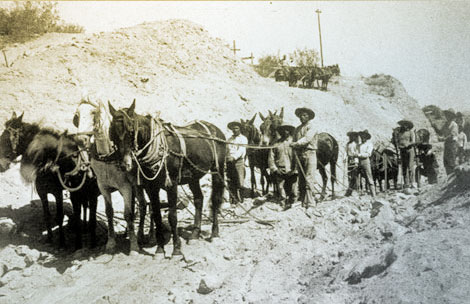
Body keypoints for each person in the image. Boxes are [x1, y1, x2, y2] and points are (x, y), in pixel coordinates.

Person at [291, 107, 317, 208]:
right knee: (301, 178)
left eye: (305, 115)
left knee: (309, 178)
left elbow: (307, 139)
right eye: (301, 115)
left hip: (310, 153)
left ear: (309, 117)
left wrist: (296, 143)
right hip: (300, 154)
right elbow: (293, 140)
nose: (302, 117)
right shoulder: (297, 129)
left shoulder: (311, 127)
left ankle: (310, 202)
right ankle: (302, 199)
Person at [268, 124, 297, 210]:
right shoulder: (276, 144)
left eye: (287, 130)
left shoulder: (293, 143)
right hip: (280, 168)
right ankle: (282, 203)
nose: (285, 132)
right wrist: (274, 169)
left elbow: (298, 157)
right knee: (281, 187)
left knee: (293, 188)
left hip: (292, 169)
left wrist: (295, 169)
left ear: (290, 131)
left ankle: (293, 203)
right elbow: (271, 157)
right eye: (283, 130)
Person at [226, 121, 248, 205]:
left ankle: (241, 199)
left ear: (240, 129)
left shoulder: (243, 138)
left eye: (236, 128)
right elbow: (227, 150)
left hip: (238, 161)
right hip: (229, 162)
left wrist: (234, 157)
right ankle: (233, 199)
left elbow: (242, 150)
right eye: (233, 128)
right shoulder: (229, 139)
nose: (234, 130)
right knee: (231, 181)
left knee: (240, 180)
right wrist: (227, 158)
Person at [394, 120, 416, 188]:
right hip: (402, 151)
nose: (404, 126)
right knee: (404, 167)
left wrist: (408, 144)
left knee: (410, 166)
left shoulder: (411, 132)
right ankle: (406, 183)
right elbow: (397, 141)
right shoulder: (400, 133)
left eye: (405, 124)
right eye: (403, 125)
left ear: (408, 125)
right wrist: (397, 145)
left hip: (410, 150)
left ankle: (412, 182)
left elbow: (413, 142)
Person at [356, 130, 376, 198]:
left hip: (365, 162)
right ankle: (352, 194)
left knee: (369, 178)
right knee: (354, 177)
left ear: (366, 137)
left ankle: (373, 195)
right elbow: (356, 153)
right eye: (361, 136)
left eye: (364, 136)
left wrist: (359, 155)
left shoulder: (369, 144)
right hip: (359, 162)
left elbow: (368, 154)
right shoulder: (358, 145)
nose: (362, 138)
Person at [345, 131, 360, 196]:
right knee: (349, 175)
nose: (350, 138)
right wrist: (344, 158)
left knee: (355, 175)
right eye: (349, 136)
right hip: (349, 160)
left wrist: (356, 161)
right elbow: (346, 151)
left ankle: (356, 189)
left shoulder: (356, 144)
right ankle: (350, 190)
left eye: (352, 136)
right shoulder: (348, 144)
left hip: (354, 159)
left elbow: (357, 152)